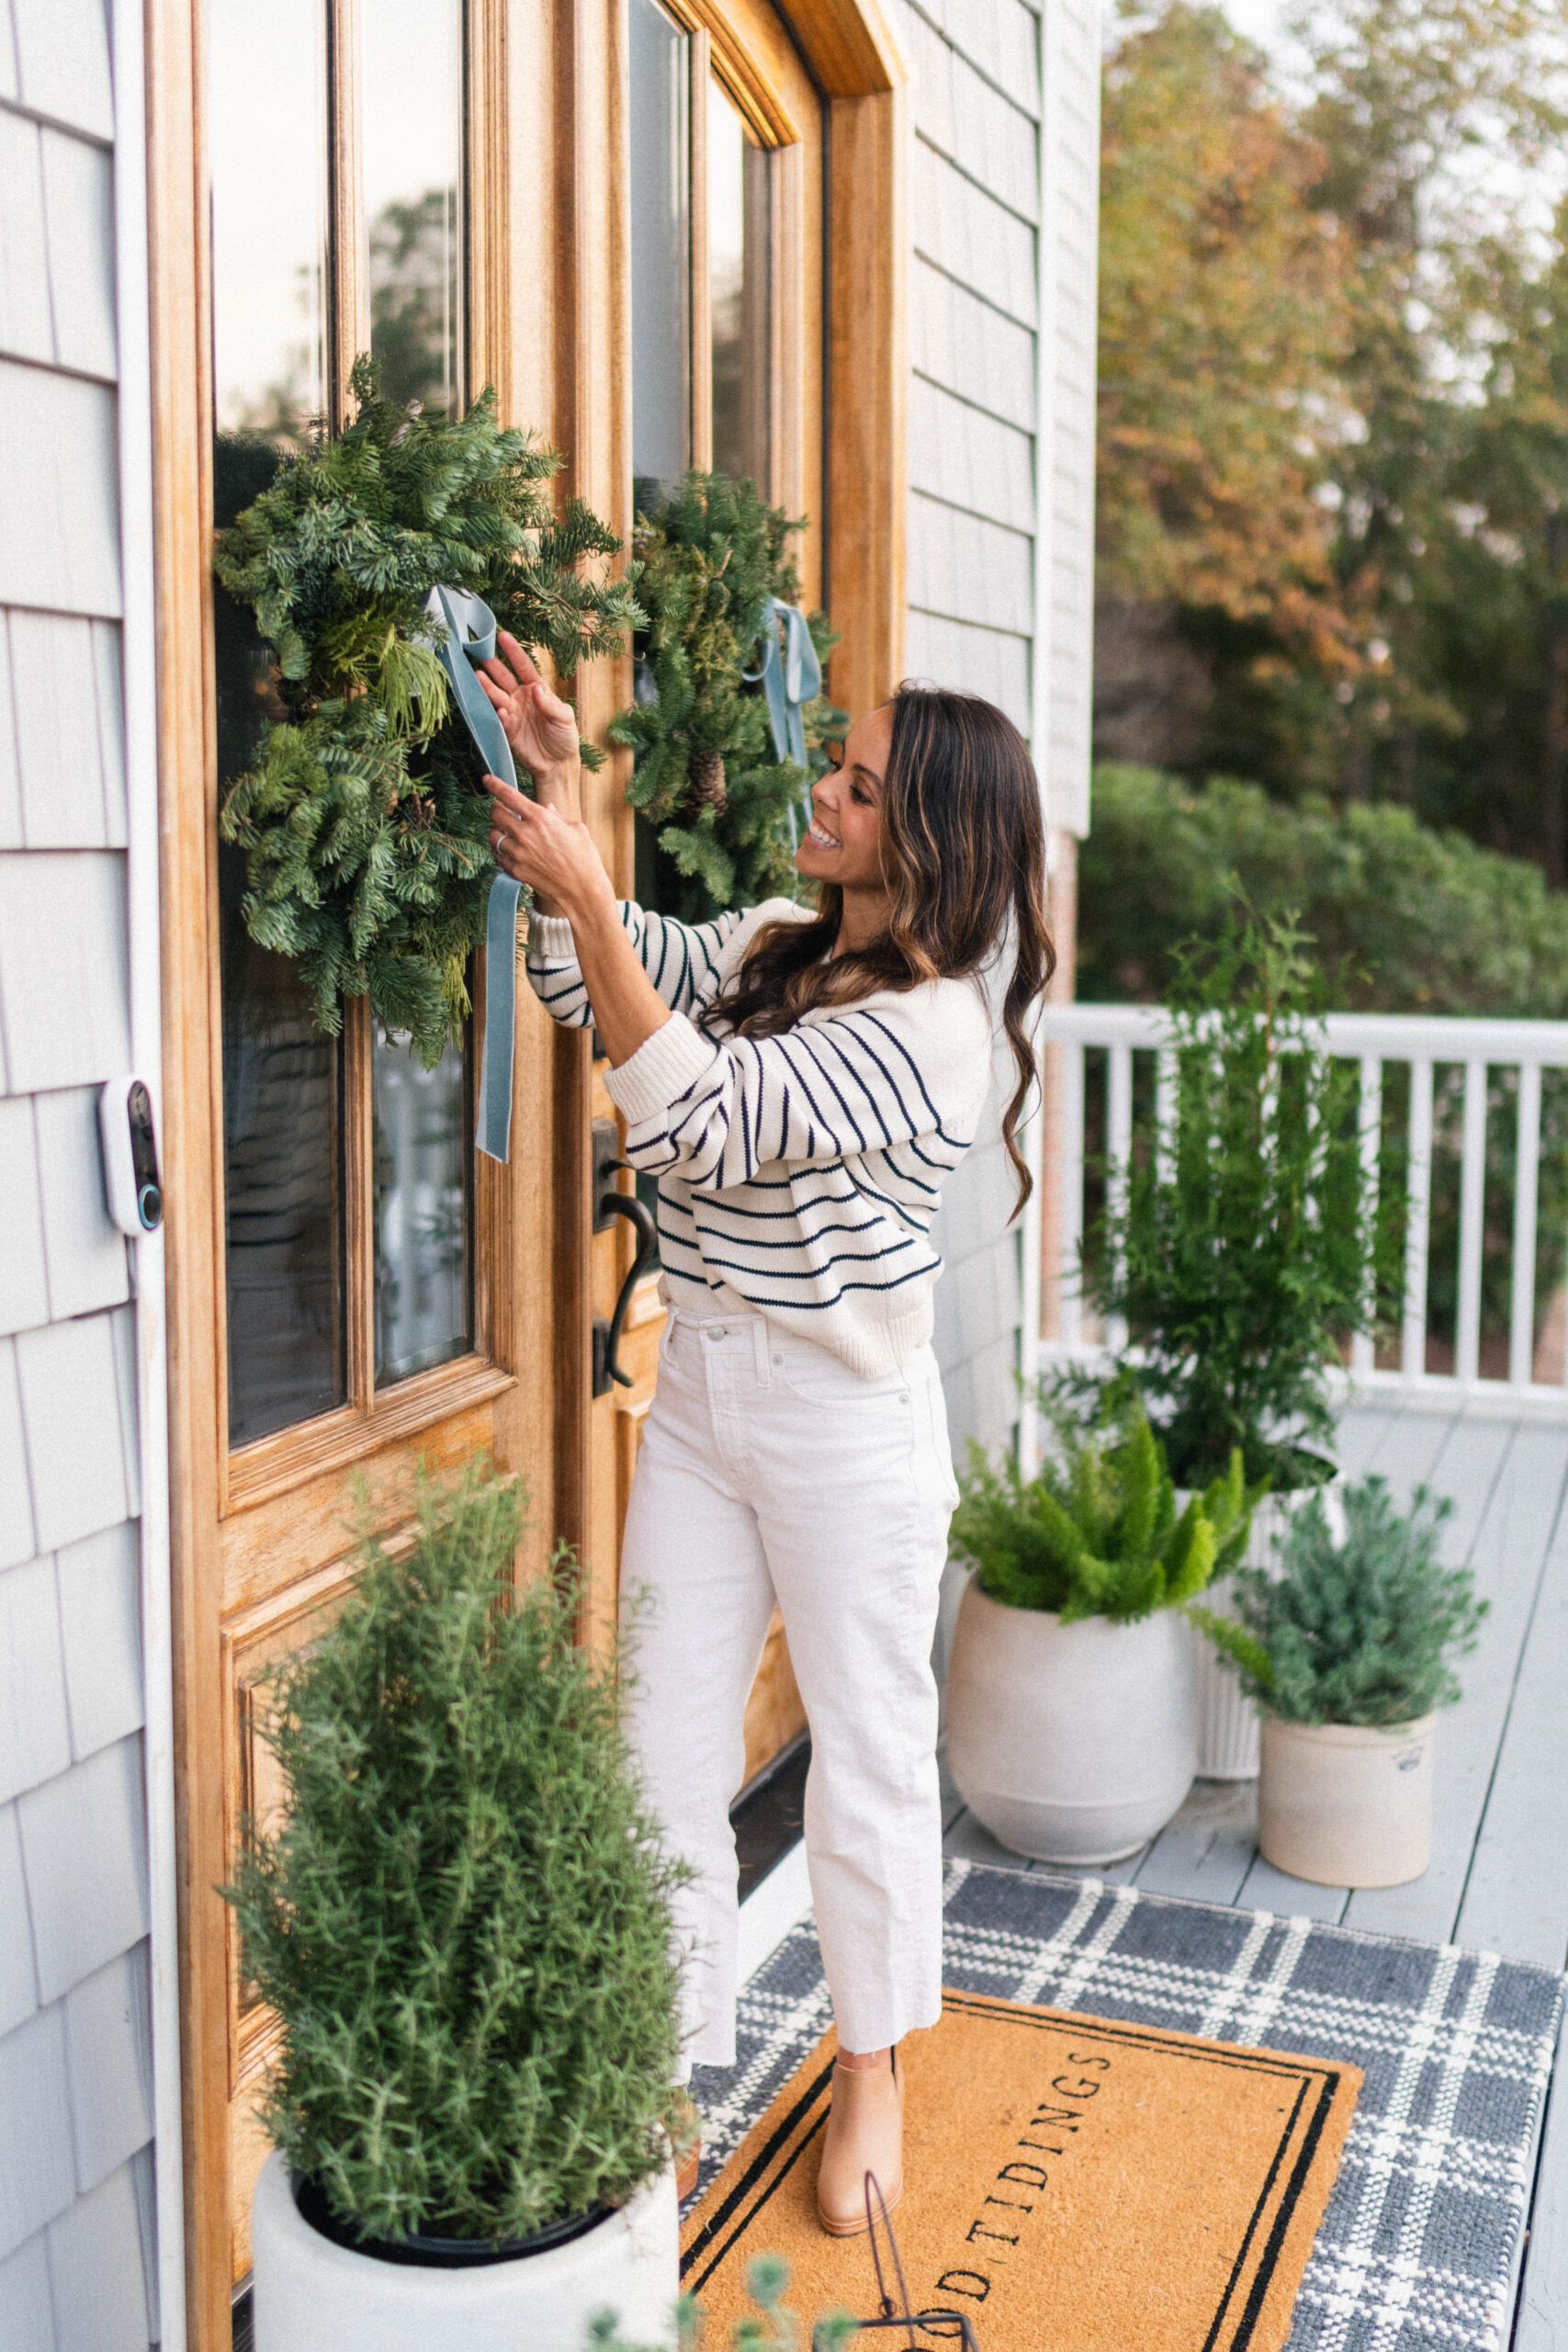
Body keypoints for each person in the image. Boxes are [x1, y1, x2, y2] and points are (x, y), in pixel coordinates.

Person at [479, 635, 1053, 2234]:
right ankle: (660, 2076)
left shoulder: (929, 1032)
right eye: (840, 764)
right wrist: (558, 789)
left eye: (860, 787)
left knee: (865, 1760)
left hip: (842, 1424)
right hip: (706, 1401)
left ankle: (870, 2068)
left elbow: (701, 1121)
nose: (825, 787)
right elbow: (586, 977)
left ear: (927, 838)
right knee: (659, 1741)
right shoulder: (774, 942)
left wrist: (592, 895)